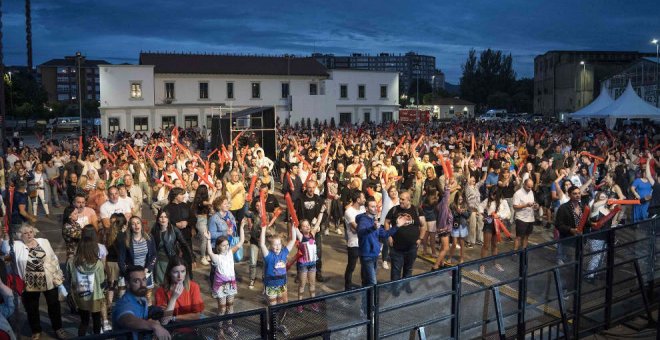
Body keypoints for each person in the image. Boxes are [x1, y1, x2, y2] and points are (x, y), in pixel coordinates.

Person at [2, 224, 69, 340]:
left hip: (49, 279)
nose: (29, 235)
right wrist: (5, 235)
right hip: (29, 283)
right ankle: (36, 330)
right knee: (31, 308)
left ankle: (58, 328)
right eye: (26, 233)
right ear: (20, 236)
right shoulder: (17, 245)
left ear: (34, 232)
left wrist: (58, 275)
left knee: (54, 305)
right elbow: (4, 248)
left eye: (31, 232)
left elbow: (53, 258)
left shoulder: (44, 241)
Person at [204, 221, 245, 337]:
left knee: (230, 306)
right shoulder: (216, 258)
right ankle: (220, 329)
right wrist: (208, 239)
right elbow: (209, 252)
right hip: (220, 286)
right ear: (218, 247)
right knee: (222, 309)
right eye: (223, 245)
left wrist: (241, 227)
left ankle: (229, 327)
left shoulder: (231, 253)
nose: (226, 247)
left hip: (231, 284)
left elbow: (241, 241)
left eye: (227, 244)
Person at [112, 265, 171, 340]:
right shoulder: (123, 303)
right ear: (127, 284)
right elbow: (129, 320)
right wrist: (154, 326)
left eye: (144, 279)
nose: (142, 284)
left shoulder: (142, 299)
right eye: (136, 281)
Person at [67, 225, 107, 336]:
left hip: (80, 296)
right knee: (96, 320)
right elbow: (102, 281)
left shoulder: (72, 262)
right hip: (96, 296)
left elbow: (70, 278)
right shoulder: (98, 263)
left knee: (84, 322)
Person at [384, 191, 427, 281]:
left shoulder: (417, 210)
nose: (400, 201)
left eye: (403, 199)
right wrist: (389, 236)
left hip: (411, 247)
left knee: (408, 269)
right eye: (400, 199)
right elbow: (386, 222)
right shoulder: (394, 209)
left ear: (409, 200)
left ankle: (405, 287)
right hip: (396, 247)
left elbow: (423, 225)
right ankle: (395, 290)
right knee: (396, 271)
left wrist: (420, 239)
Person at [357, 197, 398, 286]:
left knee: (367, 281)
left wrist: (397, 226)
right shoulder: (363, 220)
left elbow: (384, 234)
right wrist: (373, 228)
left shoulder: (374, 220)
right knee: (372, 282)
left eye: (376, 206)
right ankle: (370, 299)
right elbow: (360, 232)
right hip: (367, 255)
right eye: (372, 207)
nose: (375, 208)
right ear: (367, 209)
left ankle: (367, 299)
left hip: (374, 254)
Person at [154, 257, 204, 325]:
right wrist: (173, 298)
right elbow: (164, 321)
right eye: (175, 272)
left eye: (183, 271)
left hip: (191, 326)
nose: (180, 276)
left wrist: (174, 318)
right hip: (172, 329)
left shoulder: (193, 287)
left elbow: (197, 315)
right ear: (169, 273)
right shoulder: (160, 291)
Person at [118, 217, 157, 304]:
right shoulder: (125, 241)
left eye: (138, 223)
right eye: (133, 223)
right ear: (130, 226)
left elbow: (154, 255)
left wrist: (148, 268)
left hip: (145, 272)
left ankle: (147, 314)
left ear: (141, 225)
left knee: (147, 298)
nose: (136, 225)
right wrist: (128, 273)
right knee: (131, 299)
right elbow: (121, 260)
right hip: (131, 273)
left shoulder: (149, 238)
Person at [259, 217, 296, 306]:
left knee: (280, 302)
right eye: (275, 244)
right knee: (273, 305)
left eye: (279, 244)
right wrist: (263, 229)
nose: (277, 246)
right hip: (271, 285)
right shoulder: (268, 256)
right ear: (271, 246)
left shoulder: (284, 253)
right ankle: (273, 319)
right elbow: (262, 244)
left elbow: (293, 240)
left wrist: (293, 227)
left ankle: (279, 319)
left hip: (282, 284)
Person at [151, 210, 194, 286]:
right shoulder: (154, 229)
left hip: (170, 260)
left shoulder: (174, 230)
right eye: (161, 217)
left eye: (165, 217)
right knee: (161, 285)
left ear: (168, 219)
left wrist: (192, 258)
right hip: (159, 263)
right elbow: (150, 245)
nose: (163, 219)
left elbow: (184, 244)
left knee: (172, 283)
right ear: (158, 219)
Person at [295, 180, 327, 282]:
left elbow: (325, 214)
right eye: (309, 187)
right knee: (301, 253)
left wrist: (319, 225)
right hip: (302, 231)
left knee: (318, 252)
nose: (311, 189)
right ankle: (299, 274)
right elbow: (294, 214)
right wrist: (298, 225)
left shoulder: (319, 199)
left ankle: (318, 272)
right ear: (306, 187)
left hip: (315, 231)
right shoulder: (300, 199)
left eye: (313, 187)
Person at [478, 188, 511, 273]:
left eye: (493, 194)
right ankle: (482, 264)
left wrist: (499, 215)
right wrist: (484, 215)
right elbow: (480, 206)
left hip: (498, 224)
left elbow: (508, 212)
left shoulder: (503, 202)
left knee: (495, 245)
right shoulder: (487, 200)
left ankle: (495, 262)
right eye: (491, 194)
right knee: (486, 245)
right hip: (488, 224)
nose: (492, 196)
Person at [294, 219, 322, 309]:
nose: (307, 227)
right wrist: (293, 221)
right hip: (303, 265)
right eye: (304, 226)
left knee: (312, 284)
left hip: (312, 264)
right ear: (301, 229)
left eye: (308, 225)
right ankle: (299, 304)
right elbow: (295, 227)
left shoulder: (312, 234)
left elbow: (318, 223)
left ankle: (313, 302)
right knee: (302, 284)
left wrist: (322, 211)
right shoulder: (301, 237)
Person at [343, 190, 366, 290]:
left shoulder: (363, 209)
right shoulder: (349, 212)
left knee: (364, 265)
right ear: (358, 199)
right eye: (363, 198)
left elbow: (364, 225)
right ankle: (347, 288)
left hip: (363, 242)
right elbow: (356, 228)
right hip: (354, 243)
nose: (365, 199)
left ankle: (364, 286)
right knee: (351, 267)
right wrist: (362, 227)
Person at [512, 179, 539, 251]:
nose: (530, 189)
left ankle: (524, 250)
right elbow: (515, 206)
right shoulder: (518, 193)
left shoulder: (531, 192)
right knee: (518, 236)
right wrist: (525, 205)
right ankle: (515, 251)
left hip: (530, 217)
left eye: (531, 187)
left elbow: (533, 203)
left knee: (527, 236)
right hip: (521, 218)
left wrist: (535, 206)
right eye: (528, 187)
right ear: (524, 184)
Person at [630, 156, 655, 223]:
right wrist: (635, 194)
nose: (646, 174)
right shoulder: (638, 180)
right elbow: (632, 188)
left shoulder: (651, 181)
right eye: (645, 173)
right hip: (638, 199)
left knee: (644, 214)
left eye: (647, 173)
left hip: (647, 200)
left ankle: (644, 226)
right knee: (636, 213)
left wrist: (651, 194)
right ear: (643, 174)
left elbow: (653, 189)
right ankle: (635, 225)